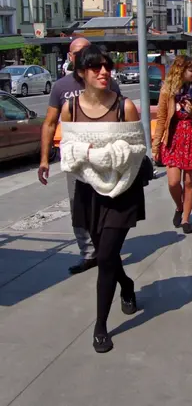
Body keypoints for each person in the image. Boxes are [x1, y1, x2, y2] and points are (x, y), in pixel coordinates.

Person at [59, 45, 146, 352]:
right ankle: (126, 284)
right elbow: (68, 152)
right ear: (82, 73)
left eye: (107, 66)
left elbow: (136, 151)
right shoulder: (71, 109)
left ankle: (100, 327)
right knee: (104, 256)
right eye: (96, 68)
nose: (104, 72)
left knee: (107, 256)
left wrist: (103, 155)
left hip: (122, 190)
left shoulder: (125, 107)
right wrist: (92, 155)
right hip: (88, 191)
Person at [38, 37, 121, 275]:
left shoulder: (107, 80)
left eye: (86, 51)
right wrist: (44, 159)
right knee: (79, 207)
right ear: (71, 57)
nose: (83, 55)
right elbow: (50, 123)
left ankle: (106, 249)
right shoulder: (61, 87)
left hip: (104, 157)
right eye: (77, 53)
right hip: (76, 159)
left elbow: (120, 116)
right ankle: (88, 253)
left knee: (107, 205)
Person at [152, 57, 192, 234]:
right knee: (173, 182)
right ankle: (179, 206)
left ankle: (186, 219)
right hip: (173, 139)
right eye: (191, 70)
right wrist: (156, 145)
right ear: (180, 71)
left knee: (189, 182)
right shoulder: (167, 91)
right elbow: (161, 119)